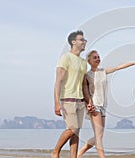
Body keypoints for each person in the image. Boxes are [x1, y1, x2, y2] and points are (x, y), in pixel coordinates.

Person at [77, 50, 135, 158]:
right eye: (95, 57)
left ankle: (80, 153)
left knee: (99, 136)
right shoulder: (87, 75)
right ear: (89, 61)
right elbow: (85, 90)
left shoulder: (103, 71)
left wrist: (134, 63)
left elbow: (119, 67)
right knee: (98, 137)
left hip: (103, 106)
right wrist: (89, 103)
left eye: (98, 57)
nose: (98, 59)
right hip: (94, 105)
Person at [52, 30, 88, 158]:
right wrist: (56, 103)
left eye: (84, 40)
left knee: (76, 132)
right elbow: (58, 82)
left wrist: (88, 102)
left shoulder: (84, 63)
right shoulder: (65, 58)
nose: (84, 42)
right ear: (73, 42)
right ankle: (55, 152)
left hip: (80, 100)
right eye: (81, 40)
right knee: (72, 128)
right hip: (67, 99)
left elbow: (84, 84)